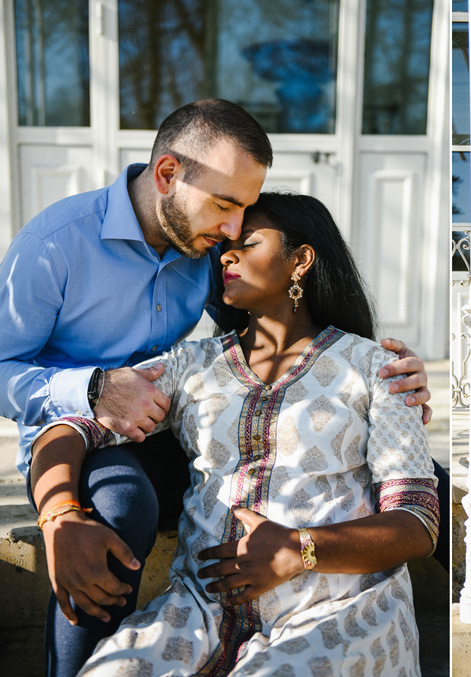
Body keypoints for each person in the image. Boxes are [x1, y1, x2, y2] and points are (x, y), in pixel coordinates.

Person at [0, 99, 434, 677]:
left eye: (246, 227)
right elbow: (66, 417)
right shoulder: (57, 246)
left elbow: (415, 520)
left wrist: (305, 545)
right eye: (227, 208)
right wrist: (60, 508)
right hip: (107, 441)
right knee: (122, 506)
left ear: (300, 261)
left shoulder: (362, 364)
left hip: (329, 604)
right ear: (168, 176)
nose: (229, 238)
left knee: (408, 481)